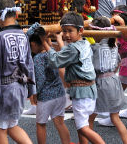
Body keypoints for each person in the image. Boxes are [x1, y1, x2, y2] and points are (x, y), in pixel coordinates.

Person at [43, 12, 105, 144]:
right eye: (64, 31)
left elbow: (55, 60)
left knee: (83, 128)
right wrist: (55, 42)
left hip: (81, 94)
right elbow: (64, 52)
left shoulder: (72, 49)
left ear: (80, 30)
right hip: (90, 92)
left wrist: (44, 43)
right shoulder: (84, 43)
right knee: (82, 125)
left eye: (70, 31)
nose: (66, 34)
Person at [0, 0, 35, 144]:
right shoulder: (23, 36)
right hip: (20, 88)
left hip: (2, 91)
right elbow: (29, 64)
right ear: (16, 15)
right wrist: (33, 90)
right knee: (12, 125)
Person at [87, 16, 127, 144]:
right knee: (115, 117)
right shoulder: (114, 45)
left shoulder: (95, 48)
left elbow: (91, 68)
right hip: (113, 80)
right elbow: (118, 63)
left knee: (89, 117)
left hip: (100, 83)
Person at [27, 25, 71, 144]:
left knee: (41, 124)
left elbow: (40, 80)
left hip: (46, 96)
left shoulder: (38, 58)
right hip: (59, 94)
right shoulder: (52, 53)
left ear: (34, 44)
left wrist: (35, 93)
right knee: (60, 123)